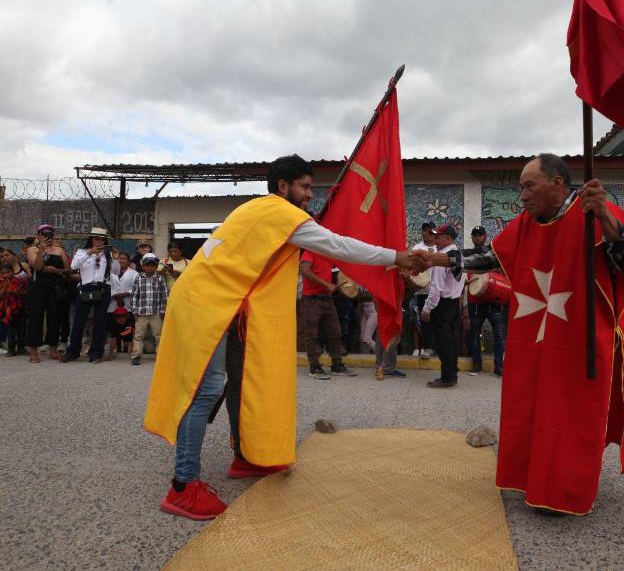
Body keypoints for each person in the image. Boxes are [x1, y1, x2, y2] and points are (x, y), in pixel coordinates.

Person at [143, 154, 422, 521]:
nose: (309, 195)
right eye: (305, 187)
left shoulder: (257, 210)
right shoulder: (281, 214)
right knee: (206, 389)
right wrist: (397, 256)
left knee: (244, 380)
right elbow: (338, 246)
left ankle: (245, 457)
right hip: (206, 305)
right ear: (282, 187)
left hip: (221, 304)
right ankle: (183, 488)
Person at [419, 153, 624, 515]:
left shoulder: (592, 211)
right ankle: (534, 480)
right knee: (533, 408)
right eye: (521, 186)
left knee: (572, 412)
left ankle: (565, 489)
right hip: (539, 334)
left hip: (583, 336)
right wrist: (439, 259)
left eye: (528, 185)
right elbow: (490, 257)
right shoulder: (526, 223)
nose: (521, 194)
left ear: (557, 183)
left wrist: (603, 216)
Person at [421, 224, 466, 388]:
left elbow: (436, 288)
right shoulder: (458, 255)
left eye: (438, 237)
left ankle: (447, 377)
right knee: (452, 341)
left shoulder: (442, 257)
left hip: (442, 304)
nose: (435, 239)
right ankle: (452, 372)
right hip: (453, 303)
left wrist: (427, 308)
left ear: (448, 238)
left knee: (443, 342)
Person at [62, 227, 115, 365]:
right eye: (96, 238)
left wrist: (113, 256)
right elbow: (73, 266)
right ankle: (72, 352)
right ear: (91, 239)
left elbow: (114, 271)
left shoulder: (108, 254)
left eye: (101, 239)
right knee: (79, 321)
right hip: (85, 287)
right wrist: (89, 253)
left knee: (99, 323)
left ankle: (96, 353)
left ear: (105, 240)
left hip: (103, 288)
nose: (98, 241)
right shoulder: (81, 252)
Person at [299, 250, 353, 379]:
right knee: (312, 334)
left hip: (327, 298)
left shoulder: (328, 254)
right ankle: (314, 367)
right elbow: (304, 270)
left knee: (335, 332)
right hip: (312, 298)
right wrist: (325, 284)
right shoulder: (310, 252)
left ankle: (336, 365)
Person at [463, 226, 507, 377]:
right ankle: (476, 364)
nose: (477, 238)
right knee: (474, 334)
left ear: (485, 237)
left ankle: (499, 366)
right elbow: (464, 283)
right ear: (472, 238)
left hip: (493, 301)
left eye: (480, 235)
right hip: (475, 301)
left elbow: (504, 270)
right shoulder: (468, 256)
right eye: (474, 235)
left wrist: (500, 270)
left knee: (499, 334)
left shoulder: (494, 255)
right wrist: (464, 308)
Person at [25, 224, 70, 363]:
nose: (47, 236)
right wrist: (42, 249)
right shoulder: (32, 249)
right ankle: (33, 351)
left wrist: (56, 270)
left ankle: (53, 349)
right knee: (36, 317)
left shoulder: (59, 250)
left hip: (55, 286)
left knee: (55, 317)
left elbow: (68, 271)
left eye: (49, 234)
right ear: (38, 235)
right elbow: (37, 267)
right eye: (44, 234)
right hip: (37, 286)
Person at [130, 253, 168, 366]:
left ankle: (159, 356)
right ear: (143, 266)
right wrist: (134, 310)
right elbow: (134, 295)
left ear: (156, 267)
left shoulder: (160, 279)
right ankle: (136, 356)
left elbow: (164, 295)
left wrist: (163, 310)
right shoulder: (139, 278)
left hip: (156, 313)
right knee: (138, 335)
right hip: (141, 313)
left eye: (152, 265)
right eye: (147, 265)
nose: (150, 267)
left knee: (158, 336)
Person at [412, 222, 437, 358]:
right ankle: (427, 348)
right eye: (424, 230)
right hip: (422, 290)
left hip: (438, 291)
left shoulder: (439, 248)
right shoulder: (417, 248)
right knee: (424, 320)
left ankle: (437, 348)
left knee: (438, 320)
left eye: (428, 231)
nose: (425, 233)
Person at [0, 263, 28, 356]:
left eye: (8, 272)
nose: (6, 275)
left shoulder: (18, 281)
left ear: (12, 272)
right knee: (10, 331)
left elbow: (23, 292)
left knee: (21, 329)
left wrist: (19, 292)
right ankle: (11, 350)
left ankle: (21, 348)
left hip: (19, 308)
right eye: (3, 273)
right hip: (7, 311)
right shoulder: (1, 282)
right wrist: (5, 286)